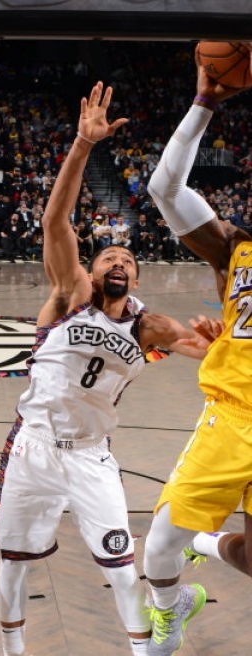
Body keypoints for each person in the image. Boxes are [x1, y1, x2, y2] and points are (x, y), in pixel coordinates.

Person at [0, 82, 214, 656]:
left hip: (92, 457)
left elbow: (204, 349)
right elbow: (55, 222)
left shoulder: (148, 325)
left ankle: (144, 650)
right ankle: (13, 651)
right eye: (108, 256)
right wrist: (82, 145)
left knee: (120, 569)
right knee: (14, 565)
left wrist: (216, 341)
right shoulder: (69, 296)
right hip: (33, 447)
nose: (118, 260)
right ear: (90, 271)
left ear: (136, 278)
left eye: (128, 259)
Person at [142, 46, 252, 655]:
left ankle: (205, 544)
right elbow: (165, 187)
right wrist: (204, 103)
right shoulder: (235, 246)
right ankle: (170, 607)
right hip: (233, 416)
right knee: (158, 548)